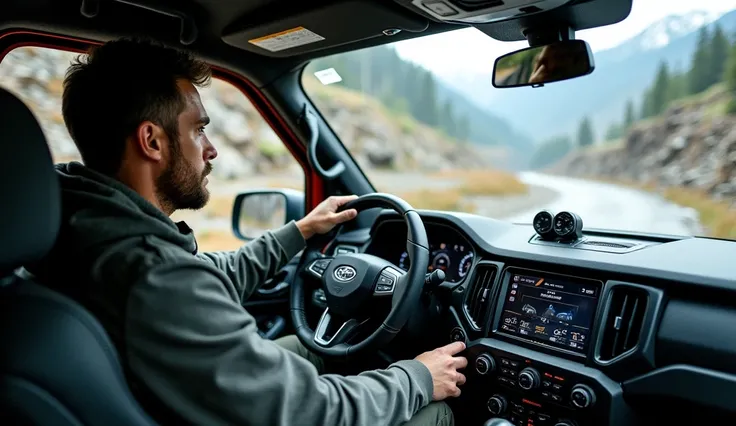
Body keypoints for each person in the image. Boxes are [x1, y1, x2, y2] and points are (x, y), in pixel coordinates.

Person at [27, 38, 467, 426]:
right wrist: (418, 378)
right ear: (152, 141)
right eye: (198, 129)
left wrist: (300, 231)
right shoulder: (153, 274)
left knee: (315, 347)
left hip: (164, 400)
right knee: (435, 411)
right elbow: (311, 412)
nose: (211, 148)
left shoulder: (77, 225)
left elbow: (203, 278)